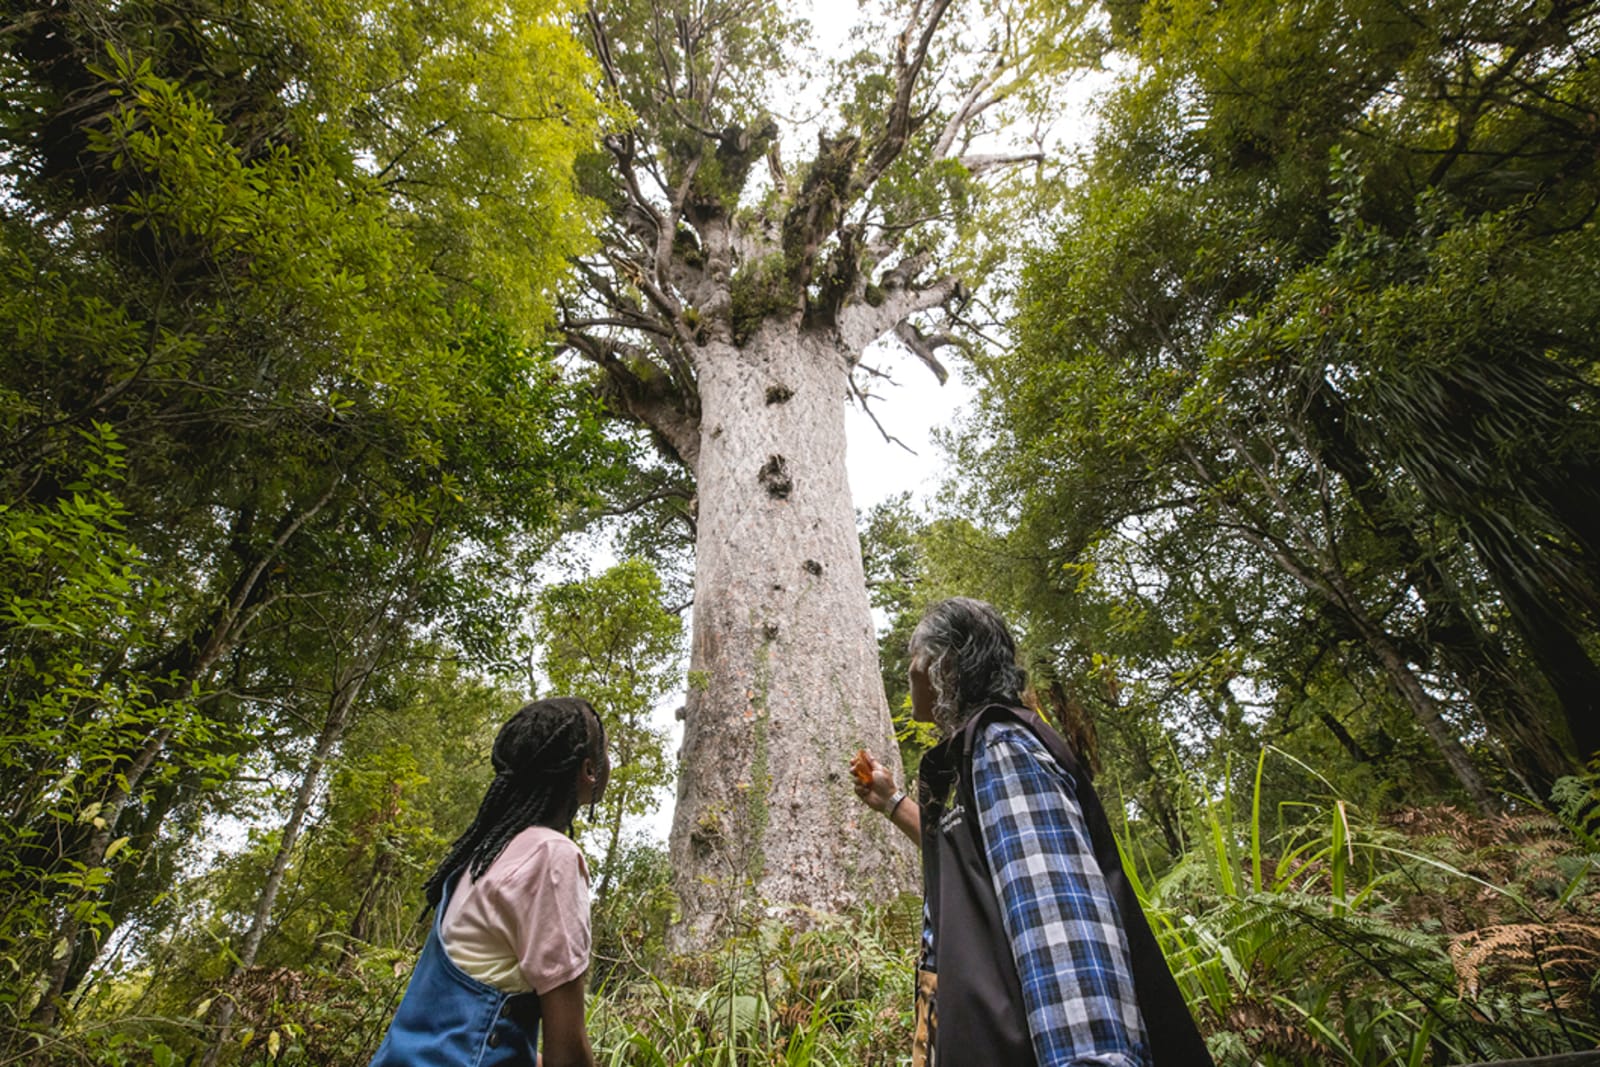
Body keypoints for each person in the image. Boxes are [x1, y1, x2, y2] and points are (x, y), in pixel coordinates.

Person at [852, 598, 1212, 1067]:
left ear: (942, 665)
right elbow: (978, 860)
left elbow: (1059, 921)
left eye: (913, 658)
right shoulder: (979, 756)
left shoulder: (1001, 747)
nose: (908, 670)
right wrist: (892, 802)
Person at [370, 697, 608, 1067]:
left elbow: (462, 1033)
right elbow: (569, 1053)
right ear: (589, 770)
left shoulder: (477, 860)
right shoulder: (550, 856)